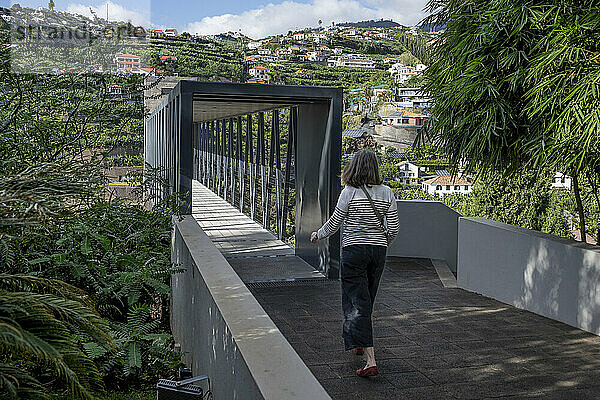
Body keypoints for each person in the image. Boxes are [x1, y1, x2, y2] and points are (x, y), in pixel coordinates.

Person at [311, 150, 399, 377]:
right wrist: (382, 243)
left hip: (353, 251)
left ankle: (371, 361)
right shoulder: (387, 192)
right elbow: (394, 228)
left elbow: (335, 223)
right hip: (378, 252)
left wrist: (318, 234)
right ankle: (359, 342)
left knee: (357, 303)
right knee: (366, 300)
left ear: (354, 168)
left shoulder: (349, 192)